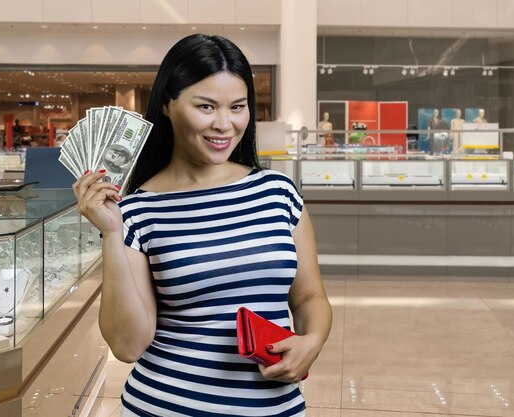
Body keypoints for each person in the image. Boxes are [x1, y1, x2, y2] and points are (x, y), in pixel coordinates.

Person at [73, 33, 332, 417]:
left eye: (238, 106)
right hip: (165, 407)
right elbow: (127, 346)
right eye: (206, 106)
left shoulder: (278, 193)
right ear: (167, 104)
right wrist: (112, 234)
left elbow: (309, 298)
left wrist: (313, 340)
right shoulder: (138, 210)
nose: (224, 124)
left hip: (275, 408)